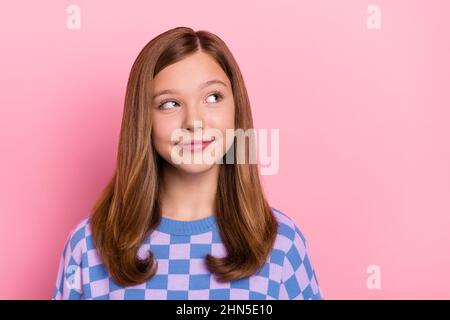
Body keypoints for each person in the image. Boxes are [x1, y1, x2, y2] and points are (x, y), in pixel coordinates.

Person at [52, 26, 323, 300]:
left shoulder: (282, 244)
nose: (194, 121)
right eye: (170, 104)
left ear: (236, 109)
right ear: (144, 121)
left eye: (213, 97)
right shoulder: (88, 247)